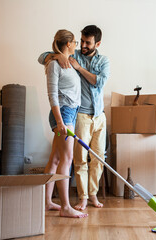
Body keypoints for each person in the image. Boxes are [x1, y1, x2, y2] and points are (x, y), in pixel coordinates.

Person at [38, 25, 110, 210]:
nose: (83, 45)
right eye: (80, 41)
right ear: (70, 44)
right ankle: (72, 203)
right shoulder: (67, 58)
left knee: (86, 158)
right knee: (72, 159)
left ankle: (51, 201)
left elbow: (99, 82)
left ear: (97, 43)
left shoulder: (99, 61)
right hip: (75, 115)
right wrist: (56, 55)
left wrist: (78, 67)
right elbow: (43, 57)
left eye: (87, 42)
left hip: (96, 114)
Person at [43, 29, 87, 218]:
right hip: (63, 114)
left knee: (55, 158)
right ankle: (66, 207)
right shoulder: (54, 64)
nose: (77, 45)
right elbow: (52, 95)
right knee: (67, 159)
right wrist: (60, 122)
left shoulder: (68, 62)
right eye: (75, 42)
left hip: (71, 113)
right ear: (68, 44)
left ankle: (47, 202)